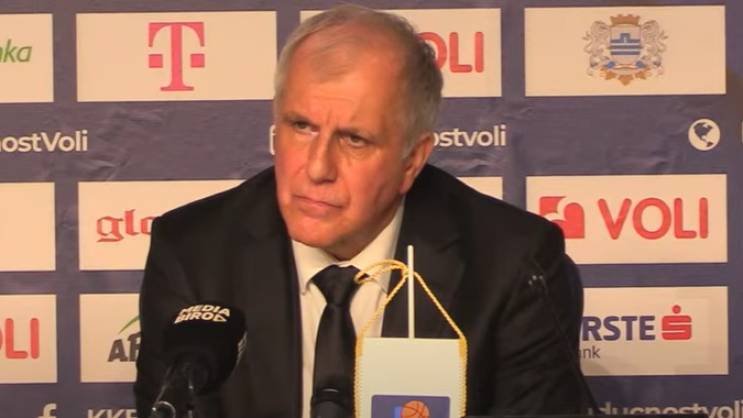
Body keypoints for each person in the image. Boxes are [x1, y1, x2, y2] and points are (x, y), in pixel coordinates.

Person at [135, 5, 592, 418]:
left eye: (354, 139)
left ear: (411, 160)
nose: (317, 168)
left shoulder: (512, 265)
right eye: (301, 126)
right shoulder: (193, 254)